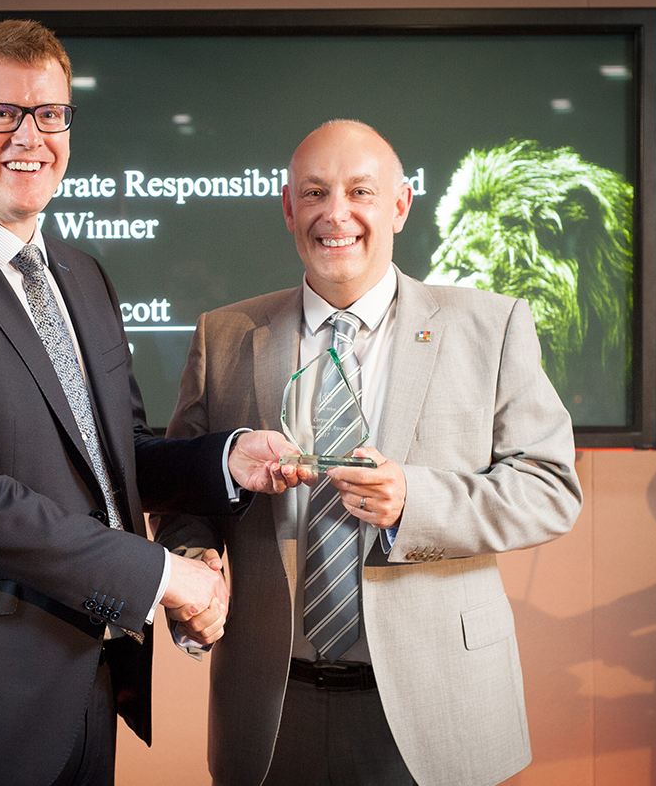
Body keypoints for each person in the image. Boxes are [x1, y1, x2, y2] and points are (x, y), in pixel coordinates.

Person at [0, 19, 300, 786]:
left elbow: (116, 455)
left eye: (50, 113)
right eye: (2, 113)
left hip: (87, 684)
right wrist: (163, 575)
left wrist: (226, 459)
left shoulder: (82, 276)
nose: (30, 136)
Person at [154, 120, 583, 786]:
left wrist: (415, 501)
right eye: (315, 193)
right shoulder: (225, 335)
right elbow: (183, 490)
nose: (336, 213)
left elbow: (551, 488)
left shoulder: (490, 325)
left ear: (401, 206)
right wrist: (194, 561)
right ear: (288, 208)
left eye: (361, 192)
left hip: (441, 705)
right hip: (269, 709)